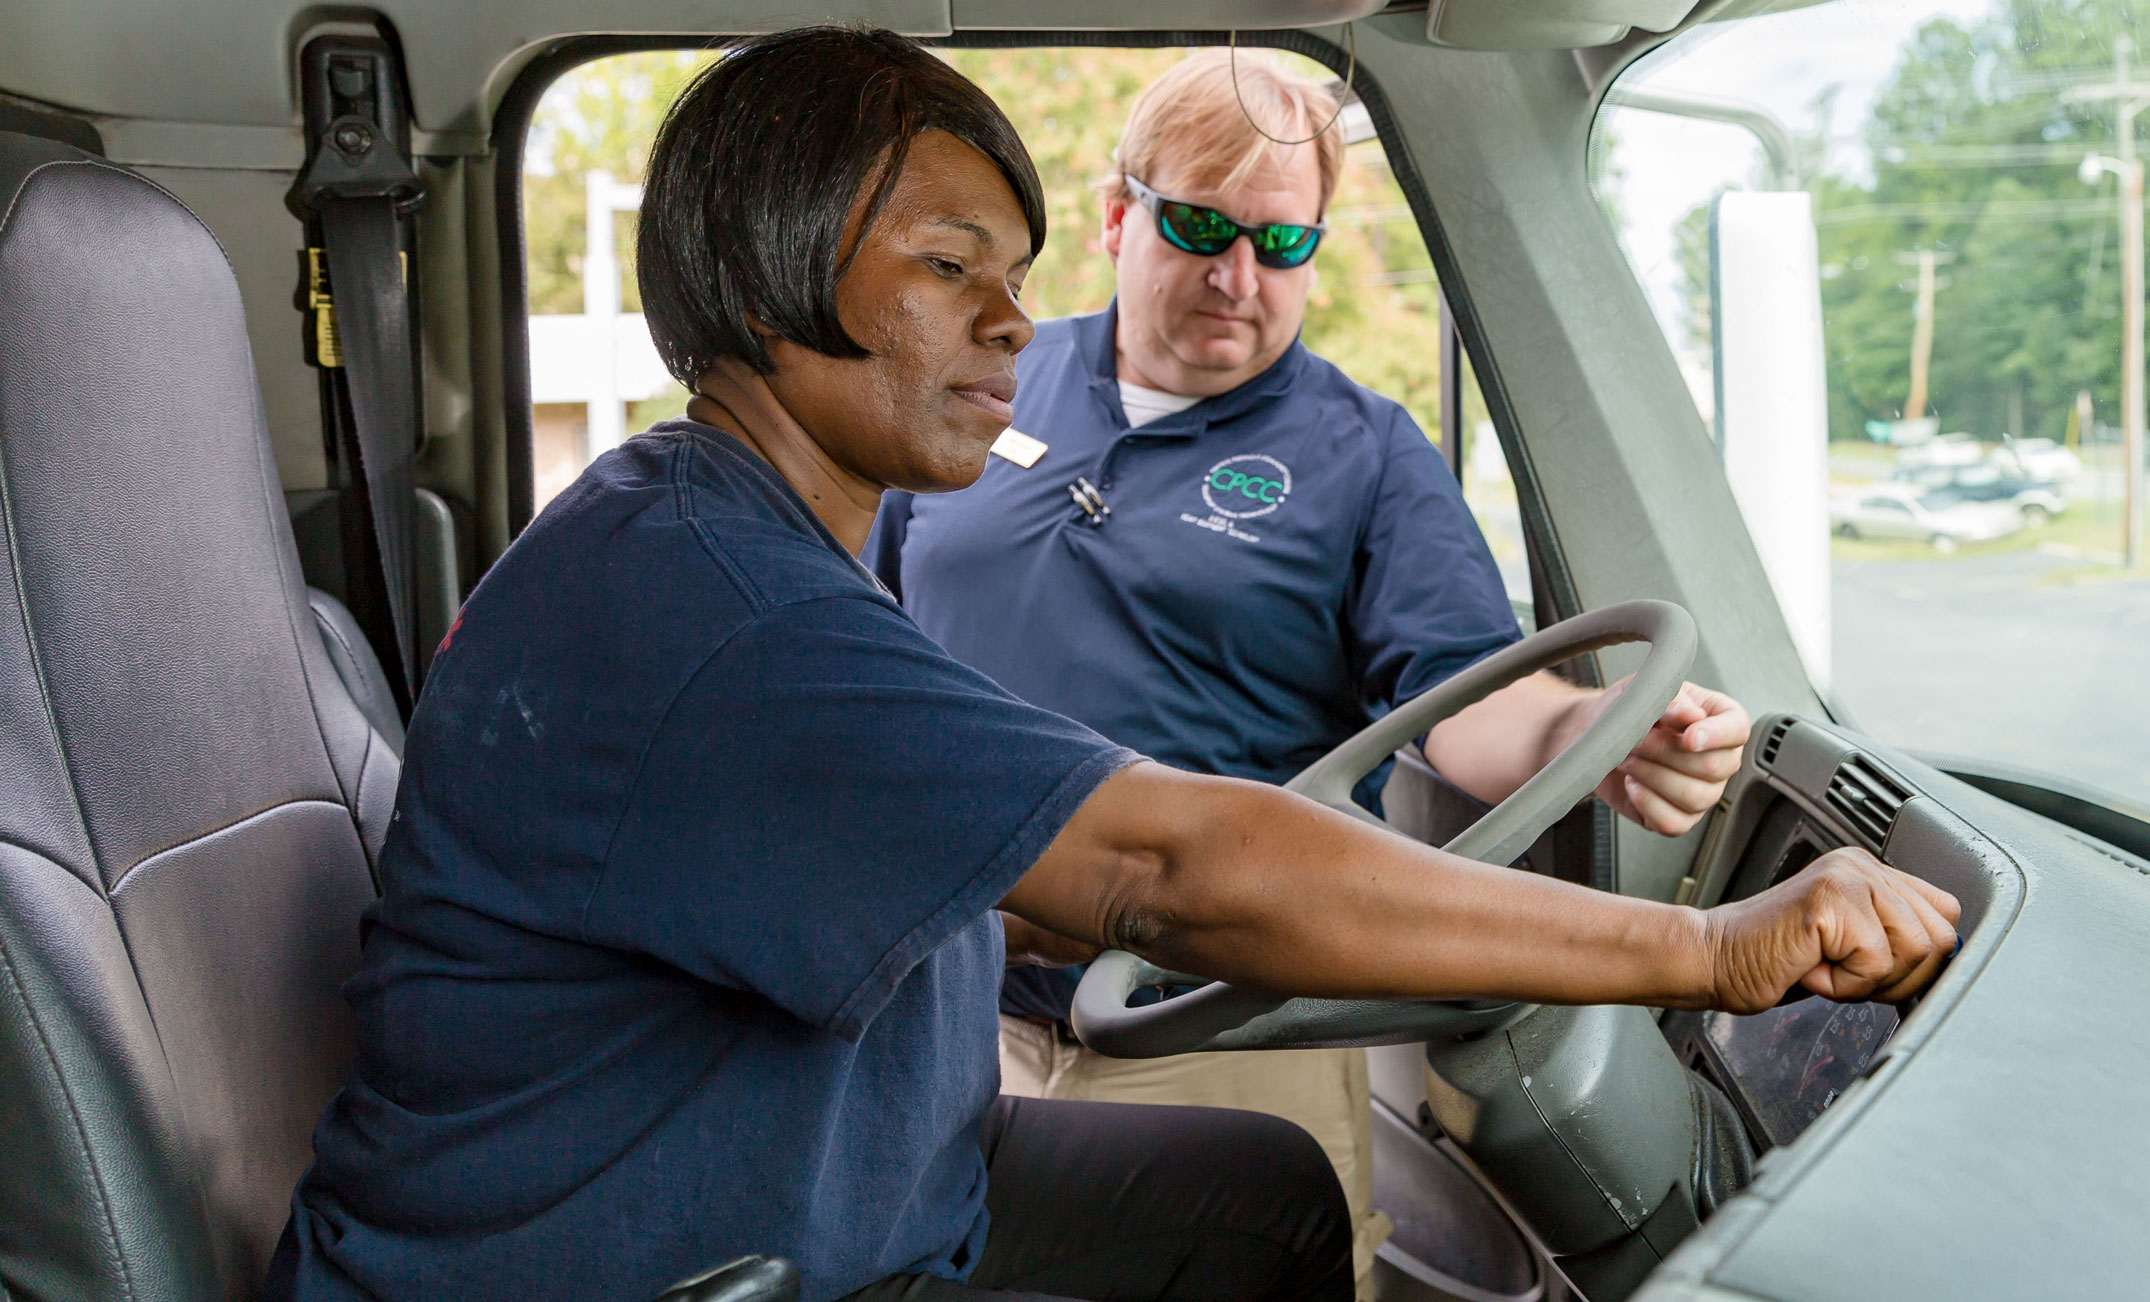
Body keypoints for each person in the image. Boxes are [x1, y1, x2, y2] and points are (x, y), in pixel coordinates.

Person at [268, 26, 1959, 1302]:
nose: (1008, 322)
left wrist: (1598, 735)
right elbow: (1161, 855)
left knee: (1266, 1199)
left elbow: (1444, 704)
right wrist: (1706, 946)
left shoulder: (728, 523)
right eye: (947, 271)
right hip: (666, 1255)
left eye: (1011, 281)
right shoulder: (719, 592)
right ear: (769, 273)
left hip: (864, 1139)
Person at [861, 56, 1751, 1295]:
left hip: (1218, 1019)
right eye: (1201, 227)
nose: (1240, 276)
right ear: (1120, 216)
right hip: (941, 1017)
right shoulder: (980, 381)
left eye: (1283, 243)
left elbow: (1464, 695)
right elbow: (854, 629)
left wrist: (1596, 730)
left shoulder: (1366, 453)